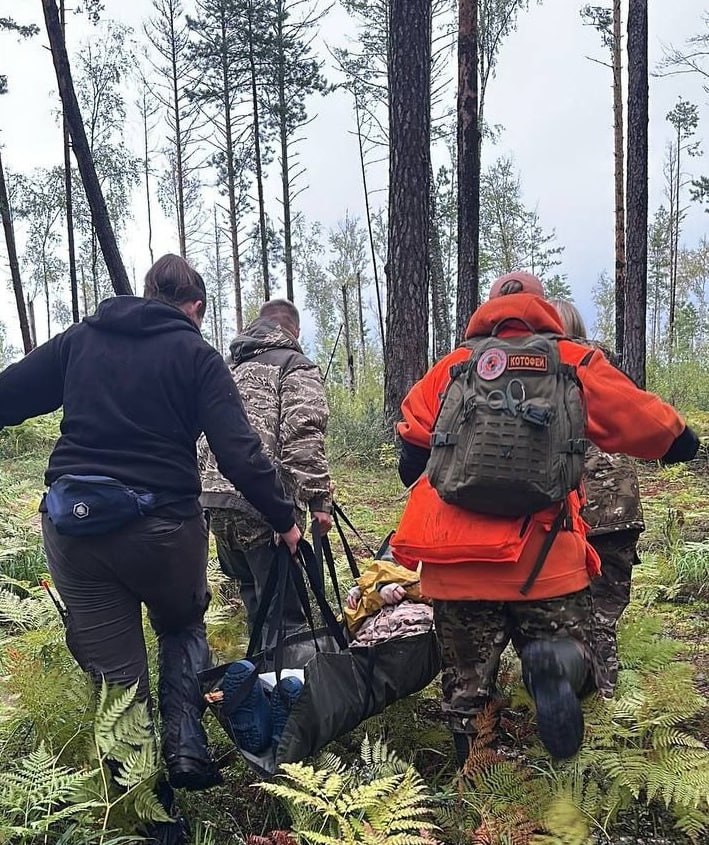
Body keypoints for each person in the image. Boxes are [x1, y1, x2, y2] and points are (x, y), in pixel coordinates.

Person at [0, 255, 301, 844]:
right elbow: (239, 453)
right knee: (182, 624)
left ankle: (148, 815)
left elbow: (7, 397)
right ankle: (187, 745)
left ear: (144, 293)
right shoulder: (196, 355)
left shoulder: (80, 340)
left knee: (118, 678)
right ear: (195, 308)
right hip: (163, 527)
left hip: (76, 529)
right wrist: (284, 519)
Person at [392, 271, 699, 765]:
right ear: (545, 309)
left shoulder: (451, 367)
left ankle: (477, 777)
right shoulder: (574, 362)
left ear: (486, 311)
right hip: (545, 562)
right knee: (572, 655)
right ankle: (556, 670)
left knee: (466, 685)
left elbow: (411, 451)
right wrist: (684, 442)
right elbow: (652, 425)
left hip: (455, 566)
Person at [199, 298, 332, 647]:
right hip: (266, 505)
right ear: (294, 330)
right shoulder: (294, 365)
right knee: (285, 616)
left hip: (216, 502)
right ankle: (291, 695)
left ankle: (260, 687)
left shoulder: (228, 368)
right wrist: (318, 499)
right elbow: (303, 435)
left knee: (255, 602)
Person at [549, 298, 645, 698]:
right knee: (603, 612)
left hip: (579, 511)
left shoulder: (550, 375)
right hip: (621, 508)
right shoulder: (601, 370)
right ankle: (602, 702)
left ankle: (593, 703)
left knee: (573, 611)